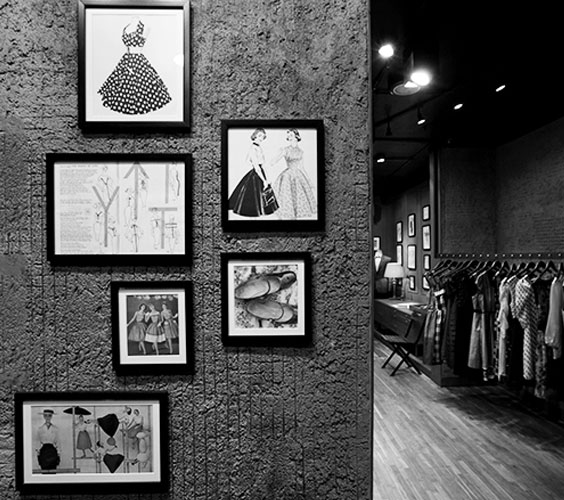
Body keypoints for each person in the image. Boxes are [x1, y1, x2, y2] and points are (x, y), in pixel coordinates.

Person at [98, 18, 171, 115]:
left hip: (138, 60)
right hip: (126, 59)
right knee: (120, 82)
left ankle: (140, 104)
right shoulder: (127, 26)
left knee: (141, 83)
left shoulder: (145, 27)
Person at [228, 128, 279, 217]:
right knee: (253, 195)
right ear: (254, 136)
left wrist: (267, 178)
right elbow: (255, 166)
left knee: (266, 193)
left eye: (263, 137)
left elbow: (263, 164)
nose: (261, 138)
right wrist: (264, 180)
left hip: (261, 171)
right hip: (256, 174)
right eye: (259, 136)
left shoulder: (259, 147)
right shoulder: (253, 148)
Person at [271, 128, 317, 219]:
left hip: (298, 176)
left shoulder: (301, 151)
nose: (289, 137)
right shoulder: (285, 149)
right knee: (287, 198)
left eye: (291, 135)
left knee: (298, 198)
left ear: (297, 136)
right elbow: (272, 162)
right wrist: (278, 153)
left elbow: (302, 168)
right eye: (288, 135)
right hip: (287, 176)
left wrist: (309, 182)